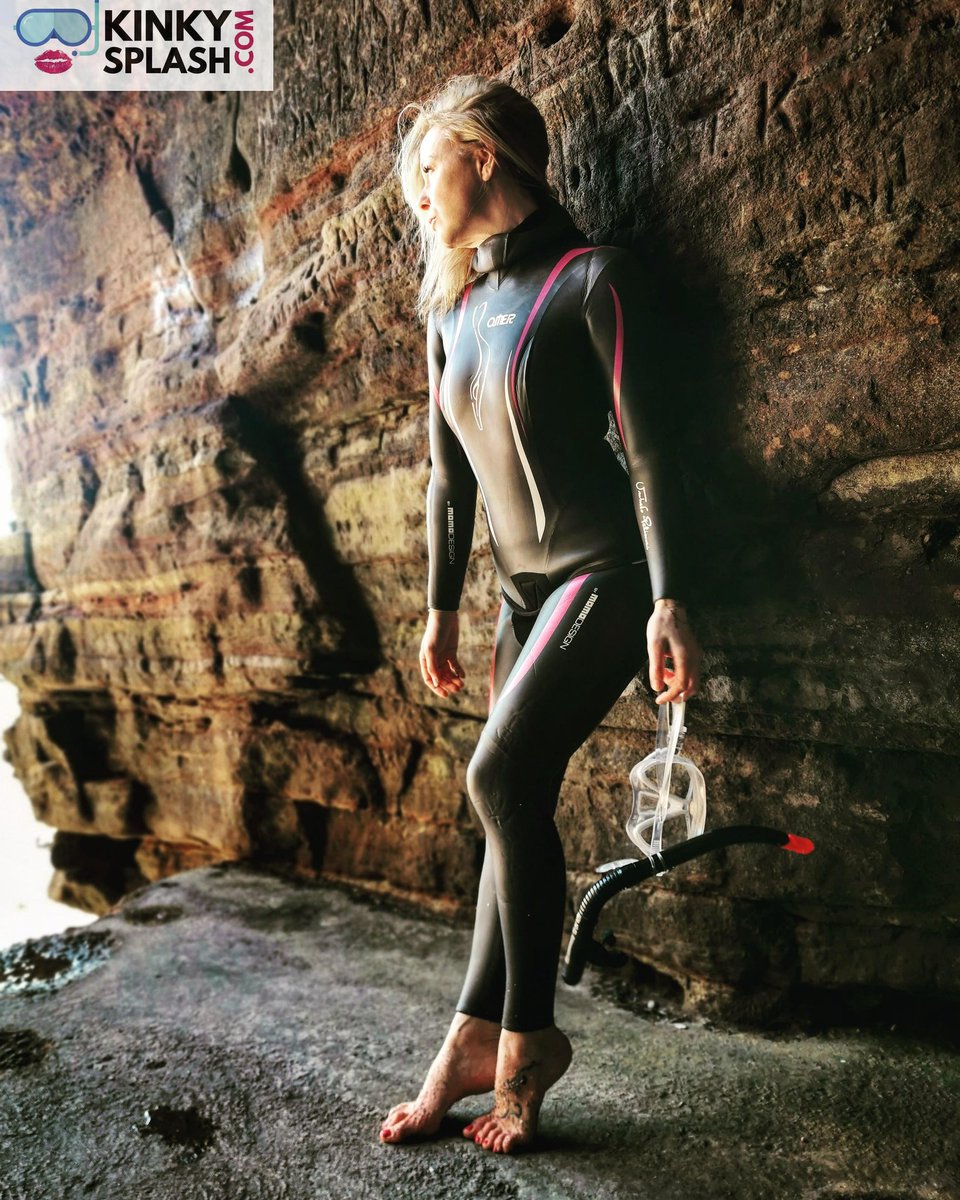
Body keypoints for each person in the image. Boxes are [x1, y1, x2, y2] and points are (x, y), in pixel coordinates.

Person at [379, 75, 702, 1154]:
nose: (419, 197)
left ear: (482, 156)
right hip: (520, 598)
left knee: (498, 778)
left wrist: (668, 596)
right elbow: (448, 480)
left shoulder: (592, 279)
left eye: (428, 170)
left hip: (603, 577)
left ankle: (527, 1041)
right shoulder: (451, 314)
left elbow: (650, 452)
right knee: (506, 801)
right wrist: (439, 608)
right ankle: (471, 1037)